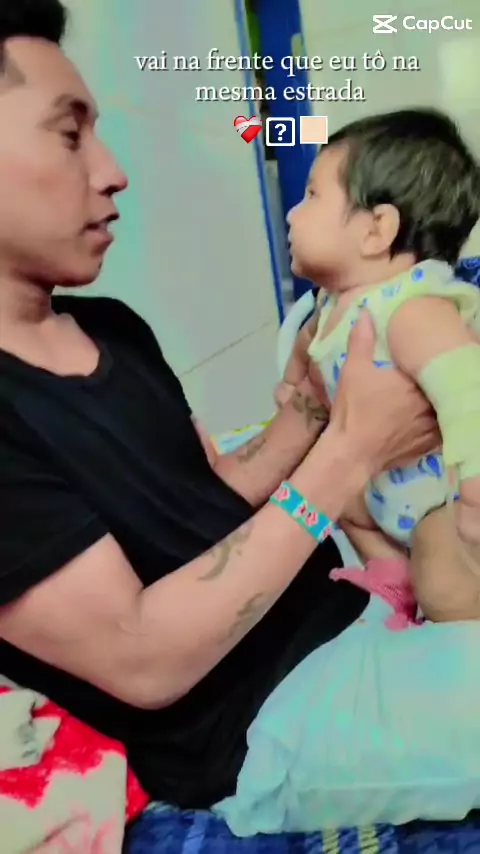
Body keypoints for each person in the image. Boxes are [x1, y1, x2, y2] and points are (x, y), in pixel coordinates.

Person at [0, 0, 436, 810]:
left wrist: (309, 410)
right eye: (69, 133)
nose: (113, 170)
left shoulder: (112, 327)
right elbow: (141, 657)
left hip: (349, 627)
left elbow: (200, 507)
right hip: (268, 729)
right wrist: (347, 454)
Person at [278, 109, 480, 623]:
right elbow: (306, 346)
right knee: (336, 498)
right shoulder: (331, 305)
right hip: (380, 482)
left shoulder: (411, 308)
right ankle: (392, 575)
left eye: (312, 195)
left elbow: (468, 391)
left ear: (377, 230)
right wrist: (292, 386)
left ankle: (455, 623)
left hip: (440, 498)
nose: (293, 214)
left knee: (444, 575)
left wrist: (475, 484)